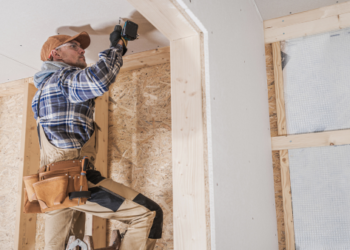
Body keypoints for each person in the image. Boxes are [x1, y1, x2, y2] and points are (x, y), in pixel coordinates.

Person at [31, 29, 163, 250]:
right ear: (56, 55)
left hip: (51, 185)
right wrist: (117, 47)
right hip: (73, 178)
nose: (82, 50)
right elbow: (98, 79)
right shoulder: (61, 79)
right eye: (73, 46)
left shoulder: (43, 90)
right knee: (148, 214)